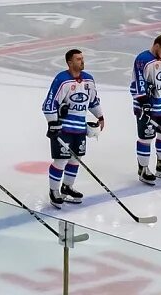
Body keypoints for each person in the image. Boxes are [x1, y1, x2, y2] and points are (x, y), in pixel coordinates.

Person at [42, 49, 103, 208]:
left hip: (80, 128)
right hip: (63, 129)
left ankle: (67, 187)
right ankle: (54, 191)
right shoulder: (62, 80)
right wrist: (52, 123)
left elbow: (93, 101)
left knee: (76, 159)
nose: (82, 61)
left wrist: (100, 116)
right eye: (78, 59)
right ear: (69, 63)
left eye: (82, 58)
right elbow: (49, 104)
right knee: (60, 161)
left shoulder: (89, 80)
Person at [130, 34, 161, 184]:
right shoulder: (143, 60)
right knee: (146, 137)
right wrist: (144, 102)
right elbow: (138, 83)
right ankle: (143, 169)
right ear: (157, 46)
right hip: (146, 108)